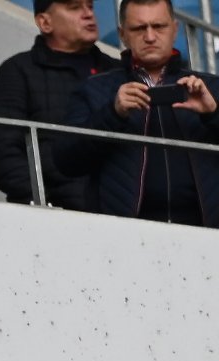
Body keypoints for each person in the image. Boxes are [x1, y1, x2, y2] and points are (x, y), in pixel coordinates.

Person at [55, 0, 219, 226]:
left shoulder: (211, 87)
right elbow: (66, 162)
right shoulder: (94, 89)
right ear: (123, 34)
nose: (150, 37)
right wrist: (113, 113)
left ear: (175, 29)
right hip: (123, 235)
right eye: (139, 28)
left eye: (158, 26)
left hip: (207, 234)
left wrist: (213, 113)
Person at [0, 0, 116, 209]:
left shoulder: (118, 71)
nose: (88, 14)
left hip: (122, 212)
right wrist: (44, 203)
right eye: (74, 8)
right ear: (45, 23)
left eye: (90, 6)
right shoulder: (18, 71)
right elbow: (4, 153)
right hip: (53, 215)